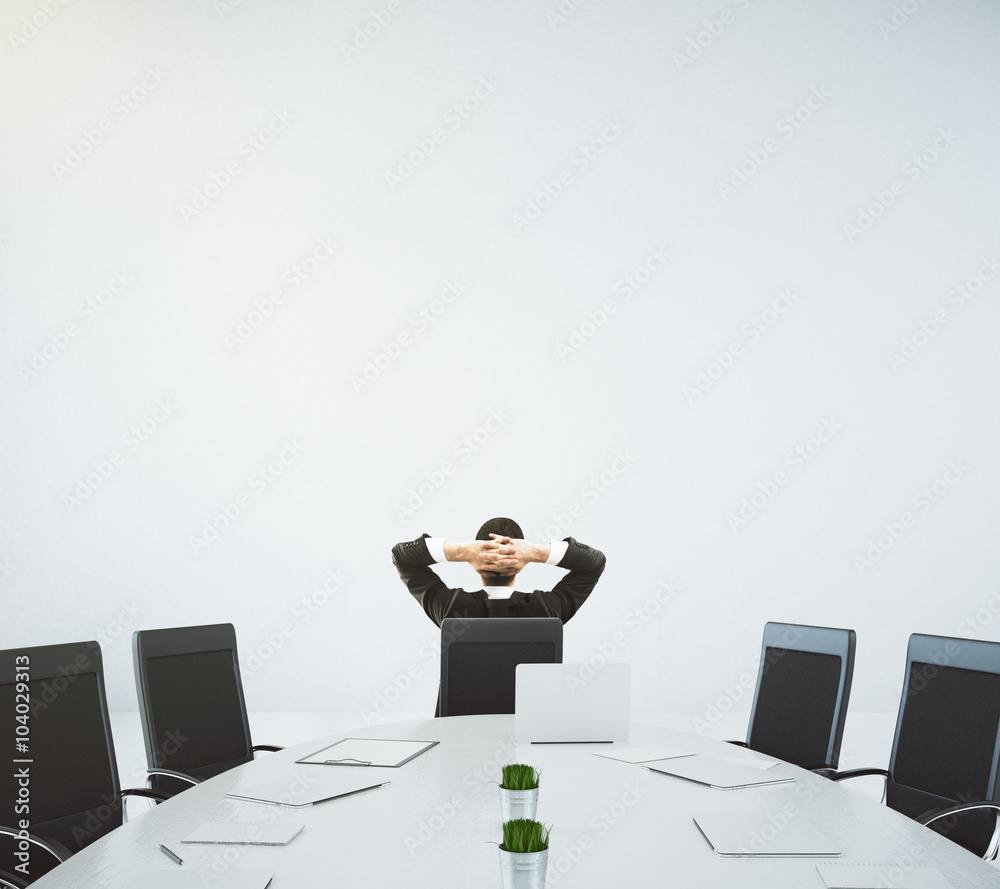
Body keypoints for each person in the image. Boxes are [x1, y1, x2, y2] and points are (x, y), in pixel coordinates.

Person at [391, 517, 606, 627]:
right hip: (526, 715)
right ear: (520, 565)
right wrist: (536, 552)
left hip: (460, 715)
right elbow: (594, 564)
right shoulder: (547, 611)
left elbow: (402, 557)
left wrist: (463, 551)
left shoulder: (451, 608)